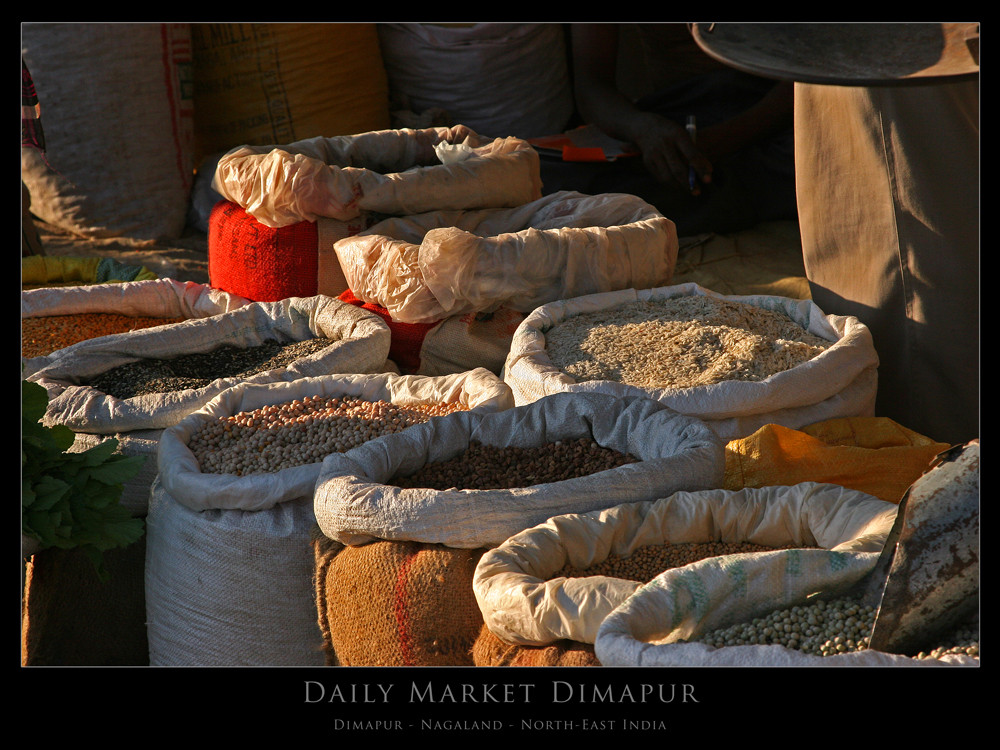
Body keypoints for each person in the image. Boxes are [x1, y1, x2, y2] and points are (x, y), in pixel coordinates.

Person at [689, 22, 980, 445]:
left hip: (900, 54)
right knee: (874, 199)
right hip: (870, 52)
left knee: (915, 224)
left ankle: (933, 454)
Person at [548, 23, 798, 237]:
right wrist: (642, 128)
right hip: (677, 118)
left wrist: (729, 137)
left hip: (777, 119)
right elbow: (592, 87)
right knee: (548, 177)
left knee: (814, 162)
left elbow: (809, 78)